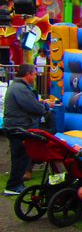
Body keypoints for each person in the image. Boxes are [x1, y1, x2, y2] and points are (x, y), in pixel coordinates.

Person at [3, 64, 50, 196]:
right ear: (28, 74)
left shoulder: (18, 87)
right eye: (34, 74)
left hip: (16, 126)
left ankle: (15, 183)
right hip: (19, 127)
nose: (35, 77)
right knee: (22, 156)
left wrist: (41, 105)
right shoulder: (20, 88)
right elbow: (34, 108)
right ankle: (13, 185)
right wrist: (45, 105)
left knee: (19, 156)